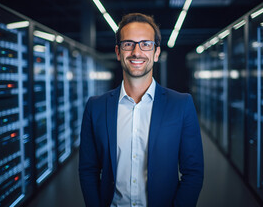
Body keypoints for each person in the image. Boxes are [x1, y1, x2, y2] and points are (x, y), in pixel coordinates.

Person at [79, 13, 204, 207]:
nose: (137, 52)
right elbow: (88, 170)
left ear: (156, 53)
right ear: (118, 52)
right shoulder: (95, 107)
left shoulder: (181, 105)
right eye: (128, 44)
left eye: (146, 44)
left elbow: (193, 172)